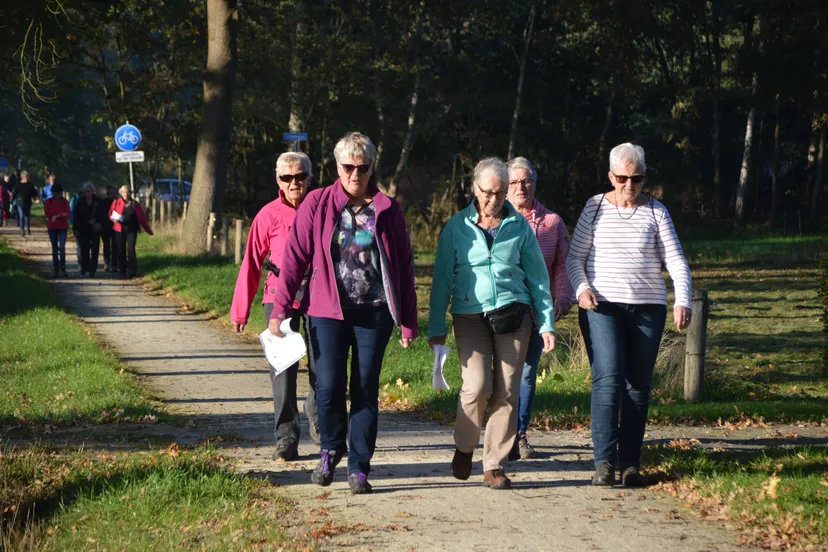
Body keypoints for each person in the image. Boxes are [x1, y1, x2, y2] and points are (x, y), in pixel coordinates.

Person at [272, 132, 418, 495]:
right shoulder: (317, 204)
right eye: (348, 166)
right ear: (338, 167)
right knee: (328, 386)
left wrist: (409, 321)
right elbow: (293, 260)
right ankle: (330, 449)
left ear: (371, 168)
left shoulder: (387, 208)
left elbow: (403, 266)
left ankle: (359, 466)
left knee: (365, 388)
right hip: (326, 312)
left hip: (374, 313)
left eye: (362, 167)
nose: (355, 173)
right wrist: (279, 310)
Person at [566, 143, 692, 487]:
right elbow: (574, 260)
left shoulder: (657, 212)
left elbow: (676, 260)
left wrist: (683, 300)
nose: (630, 185)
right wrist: (582, 290)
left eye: (637, 178)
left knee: (638, 386)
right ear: (611, 176)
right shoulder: (594, 208)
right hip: (602, 306)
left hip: (647, 308)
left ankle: (630, 463)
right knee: (608, 378)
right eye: (622, 178)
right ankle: (604, 463)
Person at [428, 157, 556, 490]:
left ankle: (494, 464)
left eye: (500, 194)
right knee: (477, 386)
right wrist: (436, 327)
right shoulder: (457, 227)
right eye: (487, 192)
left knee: (508, 391)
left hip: (514, 314)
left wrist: (546, 323)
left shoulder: (519, 227)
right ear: (475, 189)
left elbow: (538, 279)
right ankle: (464, 446)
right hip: (470, 315)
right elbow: (442, 279)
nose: (493, 200)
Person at [231, 151, 319, 460]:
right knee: (283, 371)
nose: (294, 183)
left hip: (319, 295)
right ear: (278, 181)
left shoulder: (323, 208)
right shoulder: (267, 215)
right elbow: (252, 263)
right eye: (287, 178)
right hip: (278, 297)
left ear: (310, 177)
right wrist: (240, 309)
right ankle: (286, 438)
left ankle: (319, 417)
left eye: (300, 177)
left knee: (323, 365)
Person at [505, 157, 574, 461]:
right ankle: (499, 433)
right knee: (501, 375)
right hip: (500, 311)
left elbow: (563, 265)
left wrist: (561, 299)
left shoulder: (552, 223)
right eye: (514, 182)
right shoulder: (493, 218)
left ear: (534, 182)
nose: (521, 187)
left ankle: (519, 434)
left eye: (526, 181)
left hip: (535, 312)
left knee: (526, 374)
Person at [108, 185, 153, 278]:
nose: (126, 194)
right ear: (121, 193)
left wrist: (148, 230)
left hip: (132, 230)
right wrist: (114, 220)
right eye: (124, 192)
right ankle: (122, 270)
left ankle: (133, 269)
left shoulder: (135, 204)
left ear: (130, 193)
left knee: (131, 249)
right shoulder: (116, 202)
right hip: (119, 229)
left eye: (128, 192)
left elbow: (142, 218)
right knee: (121, 250)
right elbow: (110, 214)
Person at [73, 182, 105, 277]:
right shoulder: (80, 202)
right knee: (84, 248)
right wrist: (75, 228)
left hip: (95, 229)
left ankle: (93, 269)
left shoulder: (99, 202)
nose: (88, 193)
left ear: (93, 191)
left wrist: (96, 220)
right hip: (83, 228)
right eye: (86, 191)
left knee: (95, 249)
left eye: (90, 191)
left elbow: (103, 215)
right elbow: (77, 216)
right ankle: (85, 266)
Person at [44, 184, 70, 277]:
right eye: (55, 193)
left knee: (62, 248)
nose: (57, 195)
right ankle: (56, 268)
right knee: (54, 248)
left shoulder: (65, 202)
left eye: (59, 193)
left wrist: (58, 216)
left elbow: (68, 214)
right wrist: (60, 214)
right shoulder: (49, 201)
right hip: (52, 227)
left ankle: (62, 267)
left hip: (62, 227)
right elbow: (47, 214)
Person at [101, 186, 119, 272]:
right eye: (110, 194)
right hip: (106, 227)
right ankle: (107, 262)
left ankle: (114, 264)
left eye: (113, 193)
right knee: (106, 245)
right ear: (107, 194)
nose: (112, 195)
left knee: (115, 245)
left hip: (116, 226)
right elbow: (102, 214)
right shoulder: (104, 203)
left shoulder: (118, 202)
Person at [14, 171, 37, 237]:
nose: (28, 177)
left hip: (27, 203)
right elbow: (15, 193)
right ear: (23, 177)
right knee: (21, 216)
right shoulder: (18, 184)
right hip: (20, 202)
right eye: (26, 176)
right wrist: (12, 201)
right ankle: (22, 230)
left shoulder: (30, 184)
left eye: (27, 176)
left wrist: (36, 198)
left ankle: (28, 228)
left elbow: (34, 193)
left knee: (27, 217)